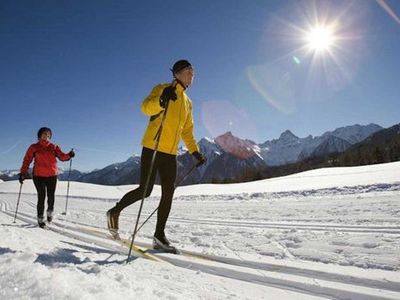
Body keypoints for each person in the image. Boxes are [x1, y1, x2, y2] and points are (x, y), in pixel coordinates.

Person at [107, 59, 206, 252]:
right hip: (153, 146)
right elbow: (145, 107)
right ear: (177, 73)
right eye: (188, 71)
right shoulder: (162, 88)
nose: (192, 75)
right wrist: (161, 100)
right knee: (145, 190)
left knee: (168, 193)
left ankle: (159, 236)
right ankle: (114, 211)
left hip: (170, 153)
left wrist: (195, 152)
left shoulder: (188, 102)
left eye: (193, 72)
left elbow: (187, 131)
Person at [19, 127, 75, 228]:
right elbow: (27, 160)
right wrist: (23, 173)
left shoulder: (54, 147)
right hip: (38, 176)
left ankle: (50, 213)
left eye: (49, 135)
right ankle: (40, 218)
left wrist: (69, 155)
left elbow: (62, 156)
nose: (47, 136)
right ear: (39, 135)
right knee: (41, 196)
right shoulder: (33, 147)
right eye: (45, 134)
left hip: (52, 175)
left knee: (51, 196)